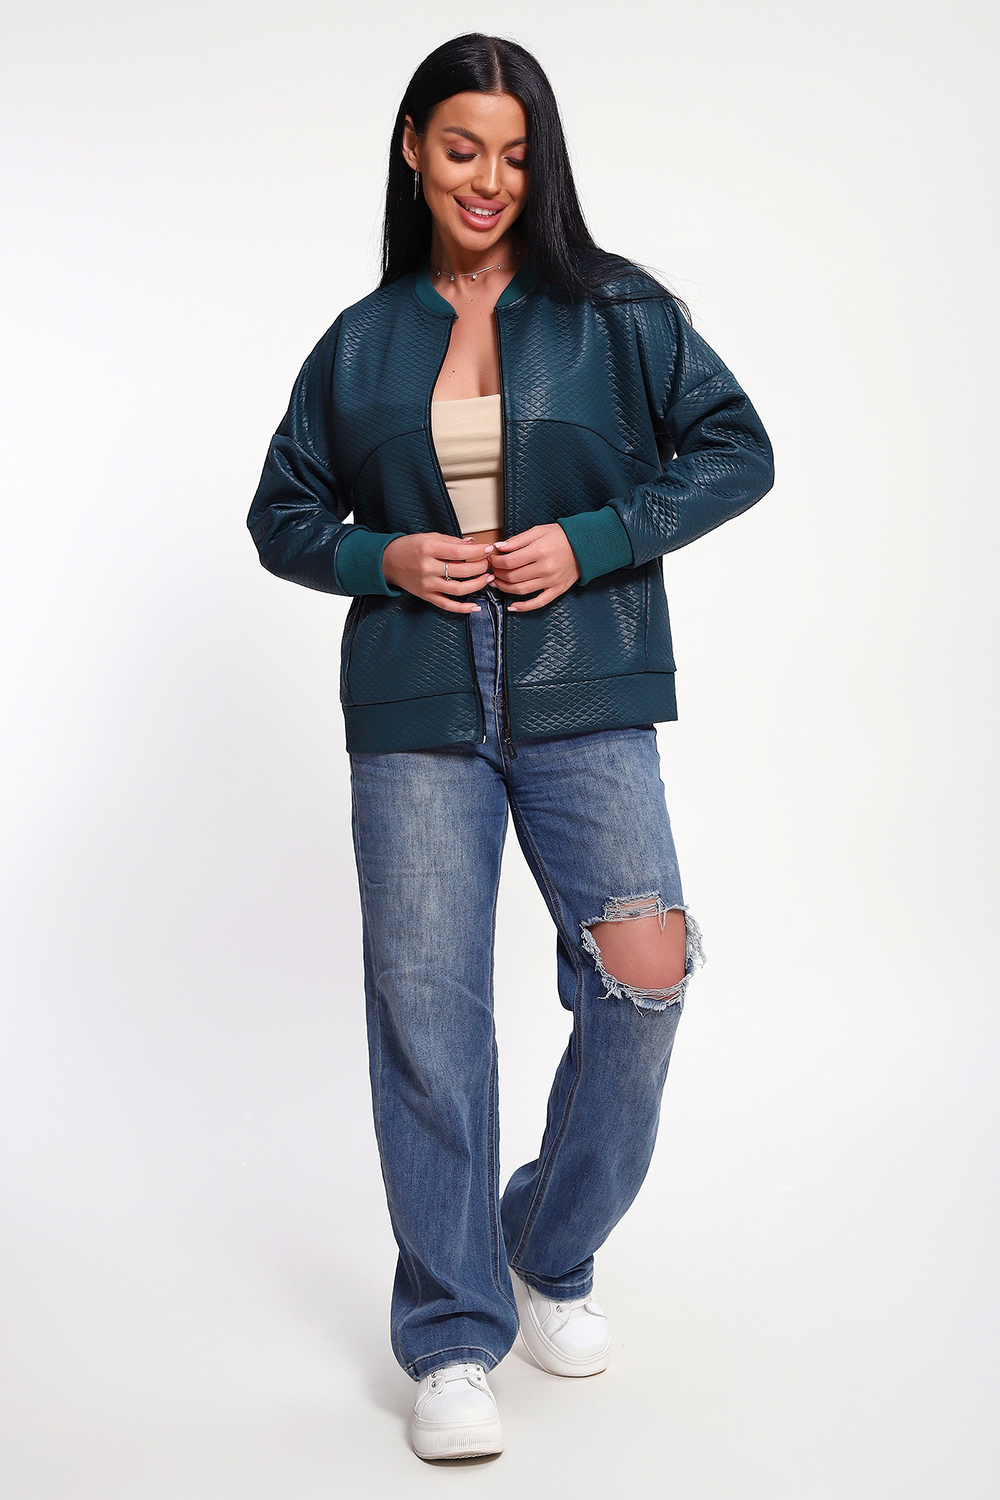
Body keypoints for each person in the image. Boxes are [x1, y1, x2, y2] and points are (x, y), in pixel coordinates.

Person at [247, 33, 773, 1462]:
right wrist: (382, 555)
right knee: (429, 1017)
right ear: (414, 148)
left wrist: (593, 539)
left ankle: (542, 1243)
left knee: (643, 972)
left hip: (582, 677)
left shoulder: (615, 311)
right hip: (416, 698)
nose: (490, 179)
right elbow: (281, 514)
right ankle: (451, 1335)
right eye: (464, 147)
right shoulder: (360, 343)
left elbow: (736, 449)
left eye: (518, 154)